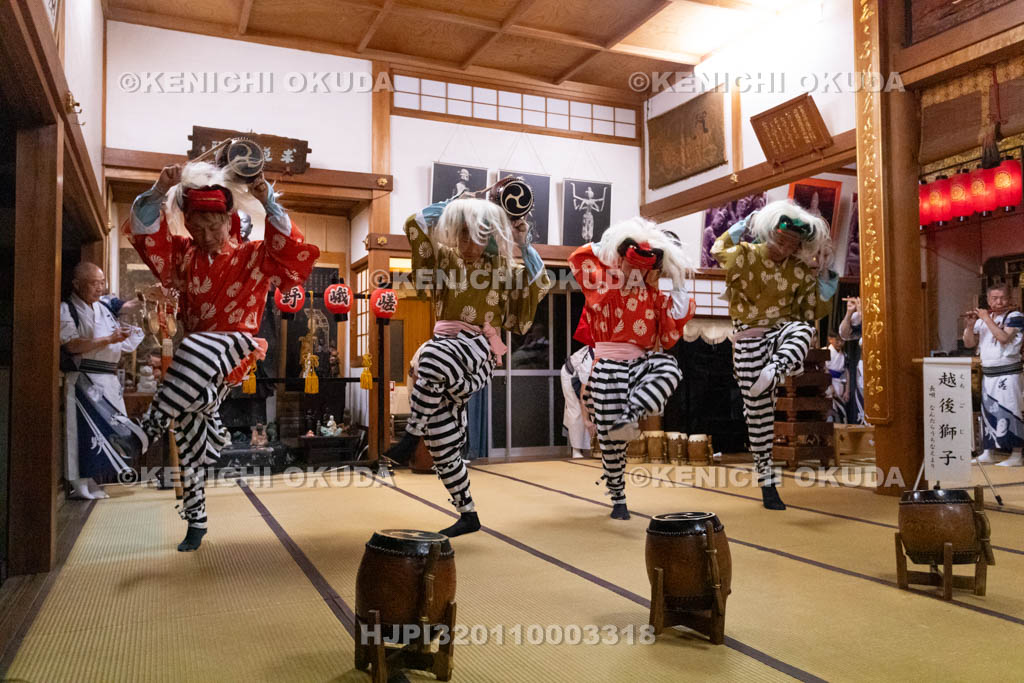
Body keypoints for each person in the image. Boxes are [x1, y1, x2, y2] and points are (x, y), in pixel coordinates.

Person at [129, 161, 319, 550]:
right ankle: (196, 522)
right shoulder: (183, 254)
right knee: (190, 433)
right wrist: (158, 187)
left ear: (229, 219)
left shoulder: (254, 255)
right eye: (196, 226)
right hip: (196, 364)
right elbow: (147, 232)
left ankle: (147, 426)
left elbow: (292, 252)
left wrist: (269, 201)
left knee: (197, 348)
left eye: (213, 226)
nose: (204, 234)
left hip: (236, 347)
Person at [385, 178, 552, 537]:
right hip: (445, 350)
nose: (469, 244)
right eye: (462, 235)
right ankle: (468, 513)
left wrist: (525, 242)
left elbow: (540, 280)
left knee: (427, 358)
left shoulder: (500, 267)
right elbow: (414, 224)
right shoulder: (444, 260)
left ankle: (409, 437)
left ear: (489, 237)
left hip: (476, 350)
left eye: (477, 237)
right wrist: (459, 203)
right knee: (442, 440)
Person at [712, 200, 837, 510]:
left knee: (803, 332)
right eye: (781, 240)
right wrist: (745, 223)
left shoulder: (798, 270)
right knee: (759, 416)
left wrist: (823, 275)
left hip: (779, 335)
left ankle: (777, 366)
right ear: (769, 234)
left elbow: (808, 313)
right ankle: (767, 483)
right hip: (748, 338)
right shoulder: (745, 255)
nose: (784, 248)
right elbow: (717, 251)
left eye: (792, 244)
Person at [569, 218, 695, 520]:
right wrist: (617, 243)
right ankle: (618, 497)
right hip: (608, 366)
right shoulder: (604, 284)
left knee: (669, 368)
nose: (635, 272)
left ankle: (631, 413)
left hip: (640, 362)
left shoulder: (653, 295)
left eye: (642, 267)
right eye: (630, 264)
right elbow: (578, 258)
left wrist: (677, 277)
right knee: (613, 444)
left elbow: (676, 316)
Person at [60, 262, 147, 499]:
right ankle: (78, 483)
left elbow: (128, 305)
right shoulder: (67, 309)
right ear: (77, 284)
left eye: (102, 282)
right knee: (82, 430)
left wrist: (150, 296)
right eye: (93, 283)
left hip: (108, 378)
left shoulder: (105, 306)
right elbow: (72, 344)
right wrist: (108, 339)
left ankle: (95, 478)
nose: (99, 288)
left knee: (107, 430)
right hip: (84, 378)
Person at [963, 283, 1024, 467]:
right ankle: (988, 451)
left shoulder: (1015, 317)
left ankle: (1017, 454)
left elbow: (1004, 338)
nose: (998, 302)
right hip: (989, 374)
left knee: (1011, 410)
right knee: (989, 411)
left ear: (1009, 299)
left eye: (1002, 298)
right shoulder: (983, 320)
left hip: (1009, 373)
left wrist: (986, 318)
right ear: (988, 300)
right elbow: (968, 343)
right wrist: (971, 324)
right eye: (994, 298)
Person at [561, 344, 596, 458]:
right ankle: (576, 450)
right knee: (576, 411)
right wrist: (586, 420)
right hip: (570, 375)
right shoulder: (590, 361)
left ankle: (594, 447)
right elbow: (583, 394)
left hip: (586, 377)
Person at [838, 297, 866, 425]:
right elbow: (844, 334)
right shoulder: (860, 314)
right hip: (864, 370)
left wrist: (862, 313)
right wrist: (850, 312)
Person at [825, 331, 849, 423]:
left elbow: (846, 372)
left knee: (841, 413)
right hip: (829, 385)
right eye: (837, 340)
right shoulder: (825, 352)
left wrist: (847, 390)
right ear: (830, 339)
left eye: (842, 341)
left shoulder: (844, 355)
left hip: (840, 384)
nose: (840, 343)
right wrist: (831, 388)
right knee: (830, 412)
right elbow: (825, 370)